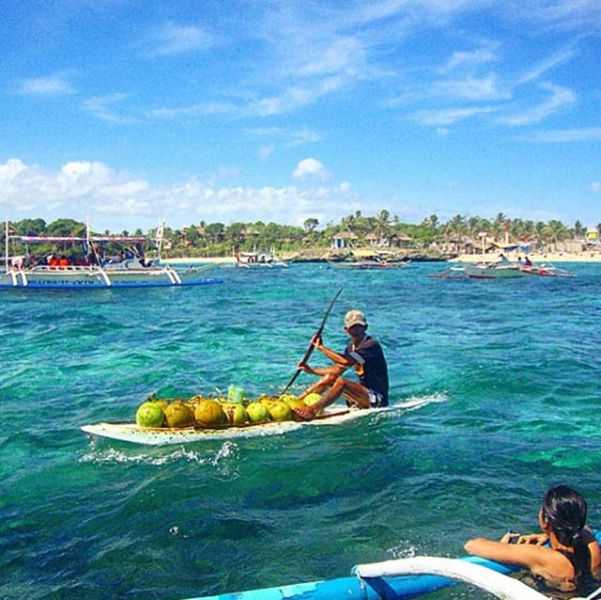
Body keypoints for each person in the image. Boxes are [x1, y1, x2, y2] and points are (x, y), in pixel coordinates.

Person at [465, 485, 601, 595]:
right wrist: (548, 535)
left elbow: (472, 545)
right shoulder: (592, 547)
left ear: (545, 521)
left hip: (553, 594)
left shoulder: (540, 556)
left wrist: (501, 546)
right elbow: (585, 528)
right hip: (588, 592)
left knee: (522, 579)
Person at [292, 309, 389, 420]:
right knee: (330, 378)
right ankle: (297, 402)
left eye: (359, 327)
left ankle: (312, 410)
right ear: (346, 329)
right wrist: (311, 370)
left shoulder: (370, 345)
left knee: (342, 382)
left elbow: (345, 361)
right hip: (360, 395)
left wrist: (321, 347)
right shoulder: (350, 348)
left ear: (365, 327)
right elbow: (337, 370)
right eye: (353, 327)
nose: (356, 330)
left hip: (376, 398)